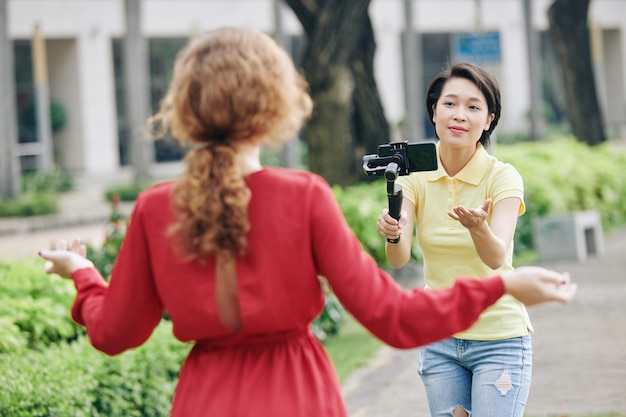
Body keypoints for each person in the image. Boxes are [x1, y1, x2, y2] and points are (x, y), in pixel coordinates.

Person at [39, 29, 576, 417]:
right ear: (277, 104)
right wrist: (504, 283)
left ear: (185, 107)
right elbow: (392, 316)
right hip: (299, 394)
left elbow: (113, 332)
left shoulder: (155, 207)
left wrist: (83, 275)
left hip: (204, 399)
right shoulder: (304, 197)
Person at [377, 62, 539, 417]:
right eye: (449, 104)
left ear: (489, 120)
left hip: (500, 338)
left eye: (473, 106)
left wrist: (479, 227)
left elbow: (497, 257)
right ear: (433, 111)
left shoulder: (503, 178)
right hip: (439, 337)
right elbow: (399, 259)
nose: (459, 115)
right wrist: (394, 230)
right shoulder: (413, 175)